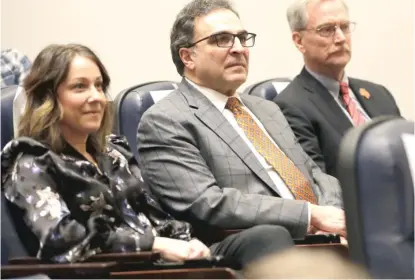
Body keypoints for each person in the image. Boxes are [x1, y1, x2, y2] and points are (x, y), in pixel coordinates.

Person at [1, 43, 293, 267]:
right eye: (80, 87)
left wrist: (186, 241)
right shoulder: (30, 161)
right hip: (121, 269)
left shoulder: (112, 152)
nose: (96, 97)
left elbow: (154, 215)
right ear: (49, 98)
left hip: (167, 261)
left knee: (269, 236)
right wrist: (155, 245)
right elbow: (62, 239)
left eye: (100, 86)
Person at [137, 0, 345, 243]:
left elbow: (316, 175)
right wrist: (310, 216)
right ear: (187, 57)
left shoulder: (267, 109)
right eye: (222, 39)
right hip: (253, 245)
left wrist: (333, 219)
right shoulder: (165, 120)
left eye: (242, 38)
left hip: (321, 237)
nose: (239, 49)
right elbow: (207, 203)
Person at [274, 0, 401, 177]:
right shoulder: (289, 106)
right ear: (299, 41)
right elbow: (318, 184)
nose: (340, 38)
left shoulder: (380, 94)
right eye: (326, 29)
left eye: (345, 27)